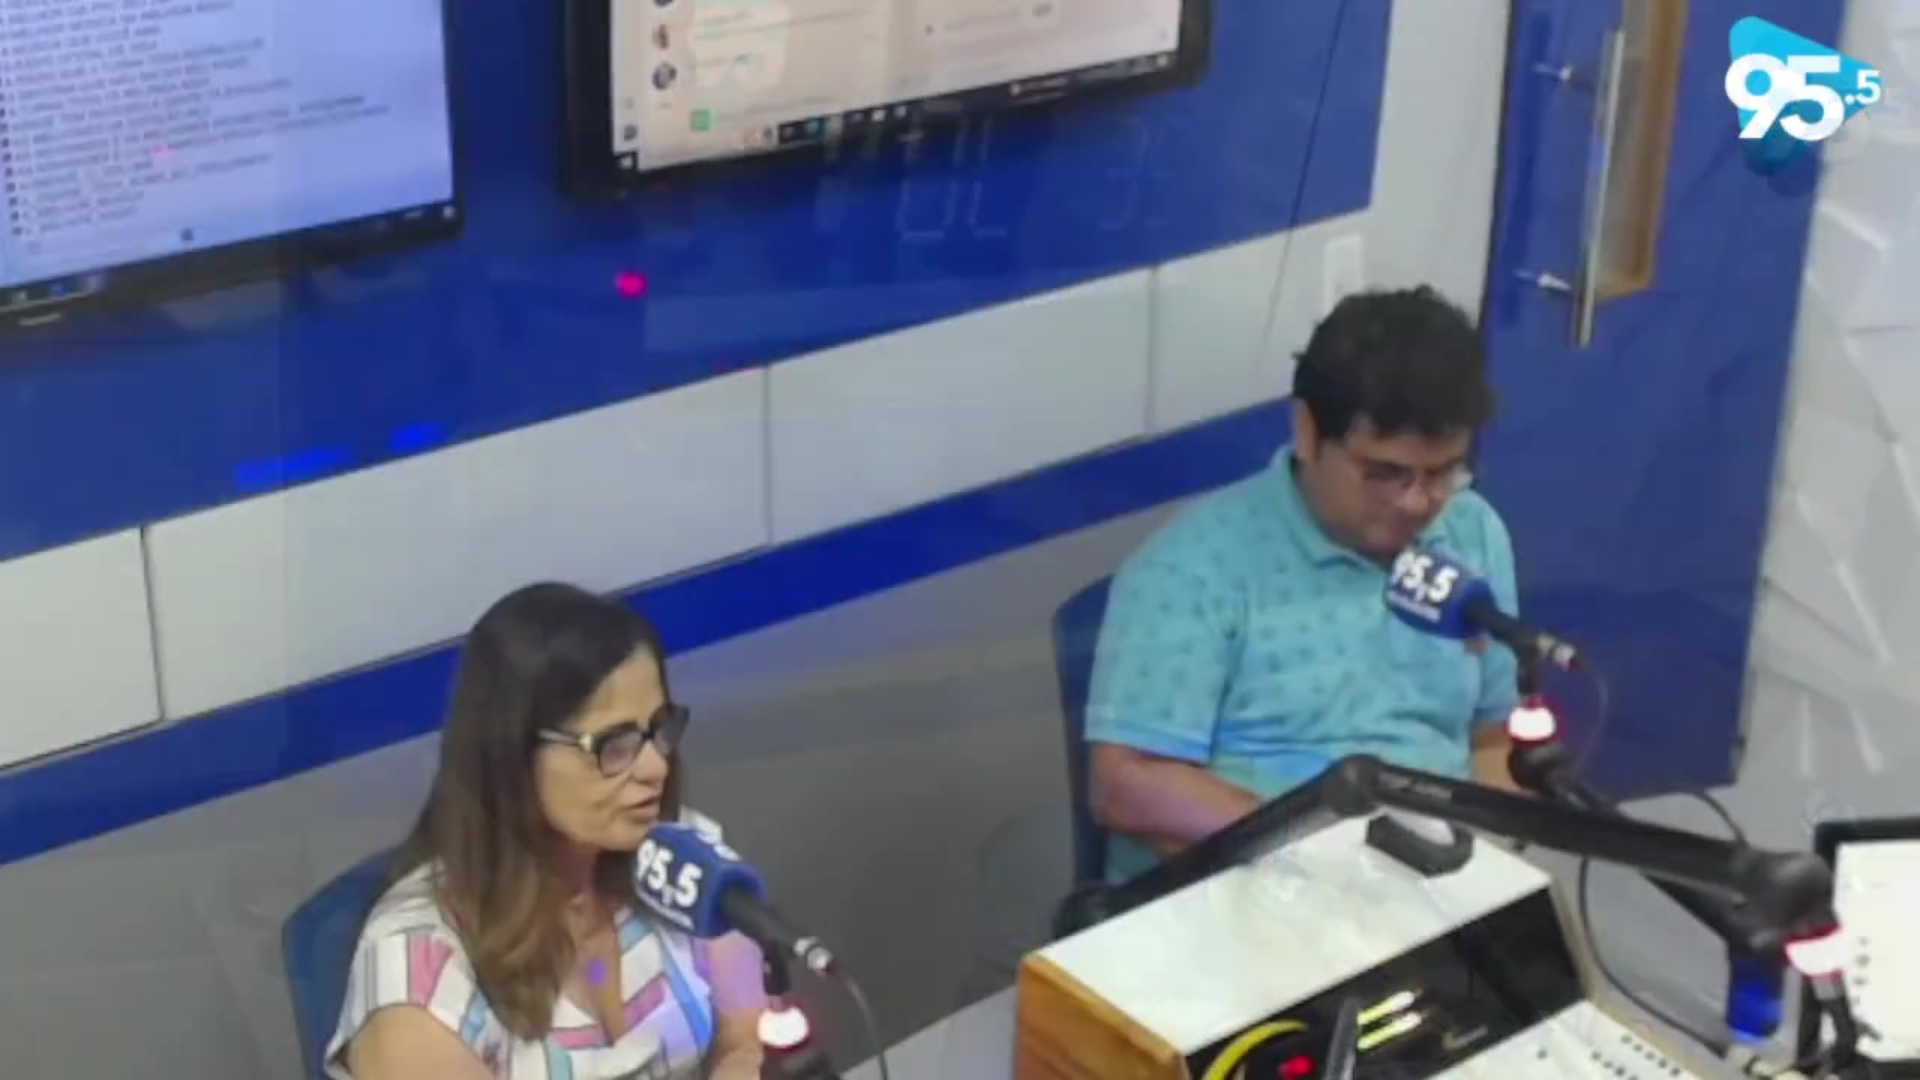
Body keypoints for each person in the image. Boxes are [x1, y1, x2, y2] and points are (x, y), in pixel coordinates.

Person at [1086, 286, 1522, 884]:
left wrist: (1491, 867)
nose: (1419, 502)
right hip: (1261, 881)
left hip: (1434, 876)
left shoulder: (1472, 532)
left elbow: (1493, 736)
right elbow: (1126, 785)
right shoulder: (1193, 568)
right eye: (1386, 473)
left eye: (1443, 472)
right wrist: (1316, 857)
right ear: (1308, 432)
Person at [327, 583, 765, 1079]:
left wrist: (741, 1061)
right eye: (614, 745)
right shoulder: (415, 976)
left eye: (658, 729)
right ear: (511, 755)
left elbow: (746, 1039)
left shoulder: (680, 862)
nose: (655, 766)